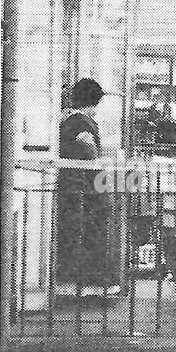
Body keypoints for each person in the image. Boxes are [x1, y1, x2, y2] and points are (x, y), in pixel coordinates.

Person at [57, 78, 112, 288]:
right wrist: (97, 164)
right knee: (91, 232)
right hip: (84, 186)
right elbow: (85, 142)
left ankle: (77, 278)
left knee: (75, 232)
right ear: (94, 101)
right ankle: (89, 280)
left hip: (73, 184)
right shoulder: (81, 121)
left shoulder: (67, 118)